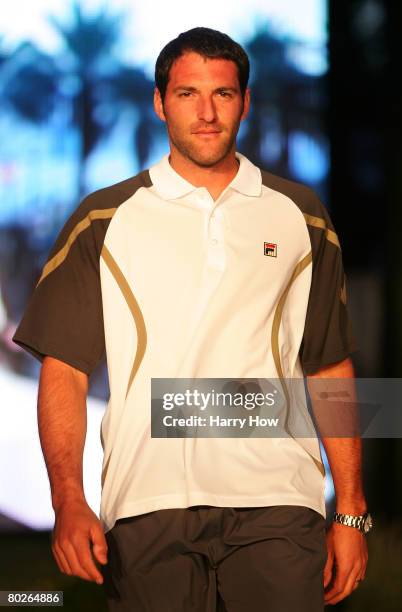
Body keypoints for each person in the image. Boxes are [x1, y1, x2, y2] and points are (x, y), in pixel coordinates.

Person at [12, 27, 371, 612]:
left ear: (245, 101)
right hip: (147, 498)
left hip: (280, 497)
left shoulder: (301, 215)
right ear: (159, 102)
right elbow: (66, 368)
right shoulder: (103, 218)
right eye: (186, 94)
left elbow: (329, 365)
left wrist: (353, 511)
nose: (206, 113)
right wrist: (68, 501)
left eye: (223, 94)